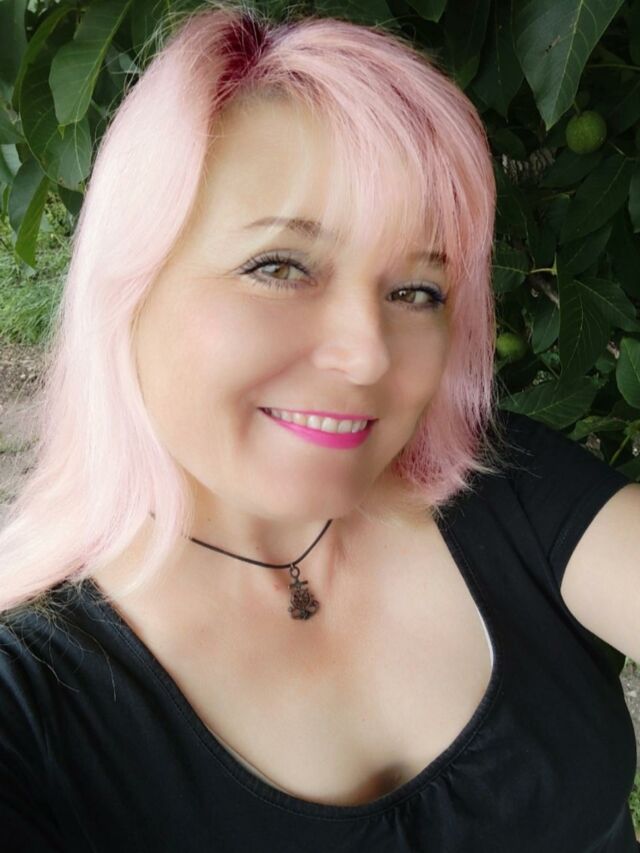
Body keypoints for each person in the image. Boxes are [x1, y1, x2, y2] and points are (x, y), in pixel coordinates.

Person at [0, 3, 638, 851]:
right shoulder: (32, 703)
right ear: (130, 288)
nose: (369, 354)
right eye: (279, 266)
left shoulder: (510, 489)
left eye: (416, 290)